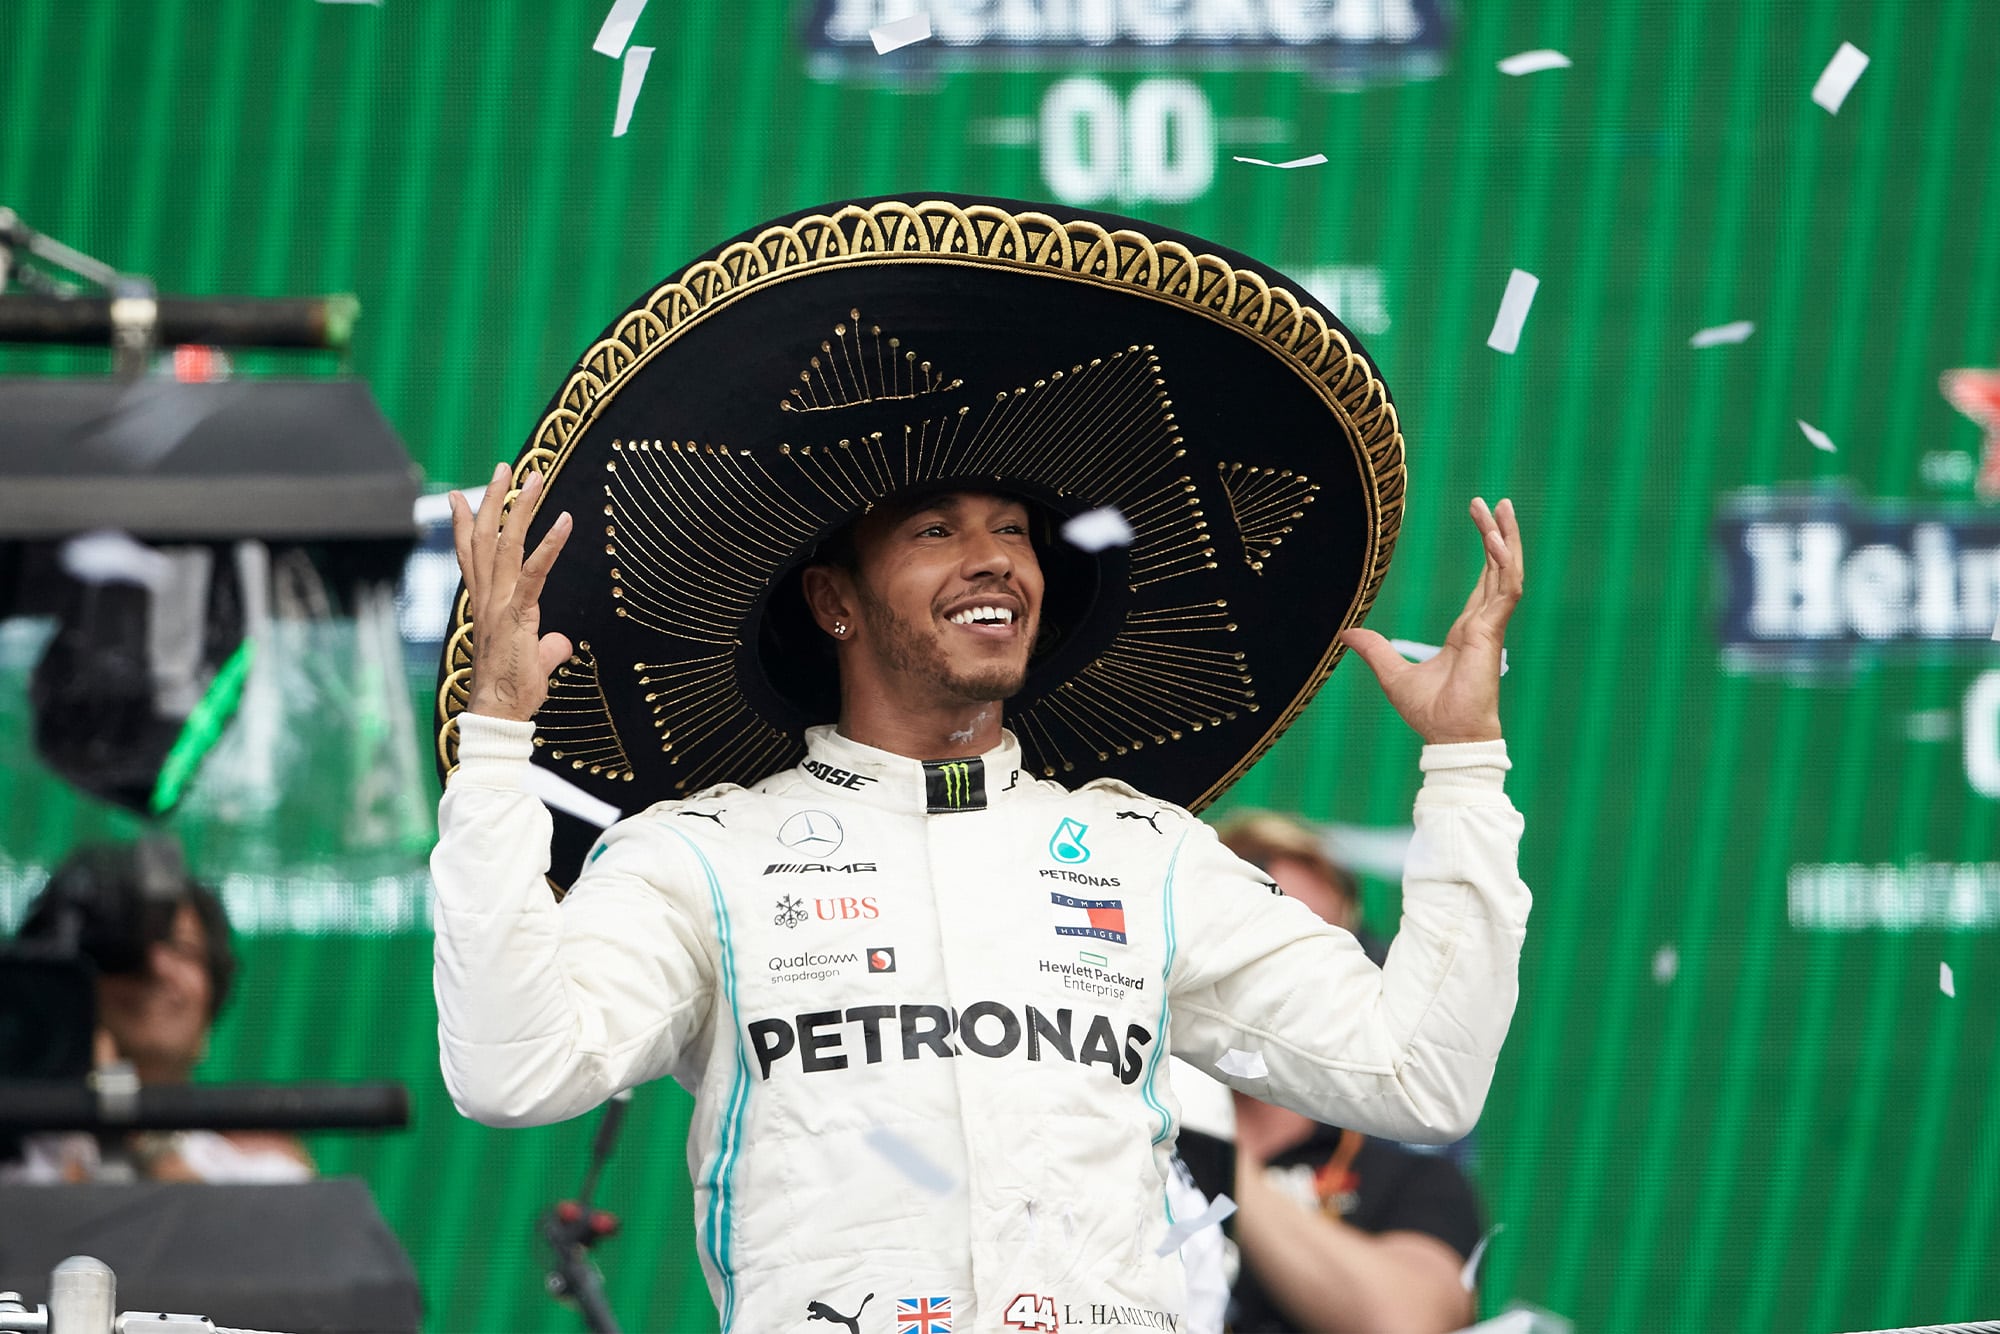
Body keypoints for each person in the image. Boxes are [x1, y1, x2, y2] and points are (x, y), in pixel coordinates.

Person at [428, 193, 1533, 1332]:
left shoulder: (1140, 854)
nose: (992, 559)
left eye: (1012, 528)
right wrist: (500, 737)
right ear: (831, 601)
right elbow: (514, 1073)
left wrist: (1461, 763)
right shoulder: (700, 856)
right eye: (934, 530)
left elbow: (1418, 1074)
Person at [1214, 813, 1487, 1333]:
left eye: (1326, 944)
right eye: (1265, 938)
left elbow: (1409, 1322)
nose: (1297, 972)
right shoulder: (1117, 1134)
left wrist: (1217, 1155)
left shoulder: (1410, 1176)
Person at [5, 839, 314, 1183]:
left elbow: (234, 1232)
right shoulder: (18, 1160)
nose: (156, 967)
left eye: (183, 950)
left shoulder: (256, 1171)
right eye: (126, 954)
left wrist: (138, 1127)